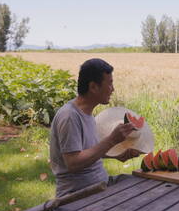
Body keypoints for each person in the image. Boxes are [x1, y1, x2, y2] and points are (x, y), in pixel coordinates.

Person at [49, 58, 141, 197]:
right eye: (109, 84)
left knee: (143, 184)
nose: (113, 89)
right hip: (78, 194)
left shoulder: (87, 113)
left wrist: (116, 154)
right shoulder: (69, 116)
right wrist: (111, 140)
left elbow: (87, 151)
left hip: (100, 184)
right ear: (93, 87)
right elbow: (73, 163)